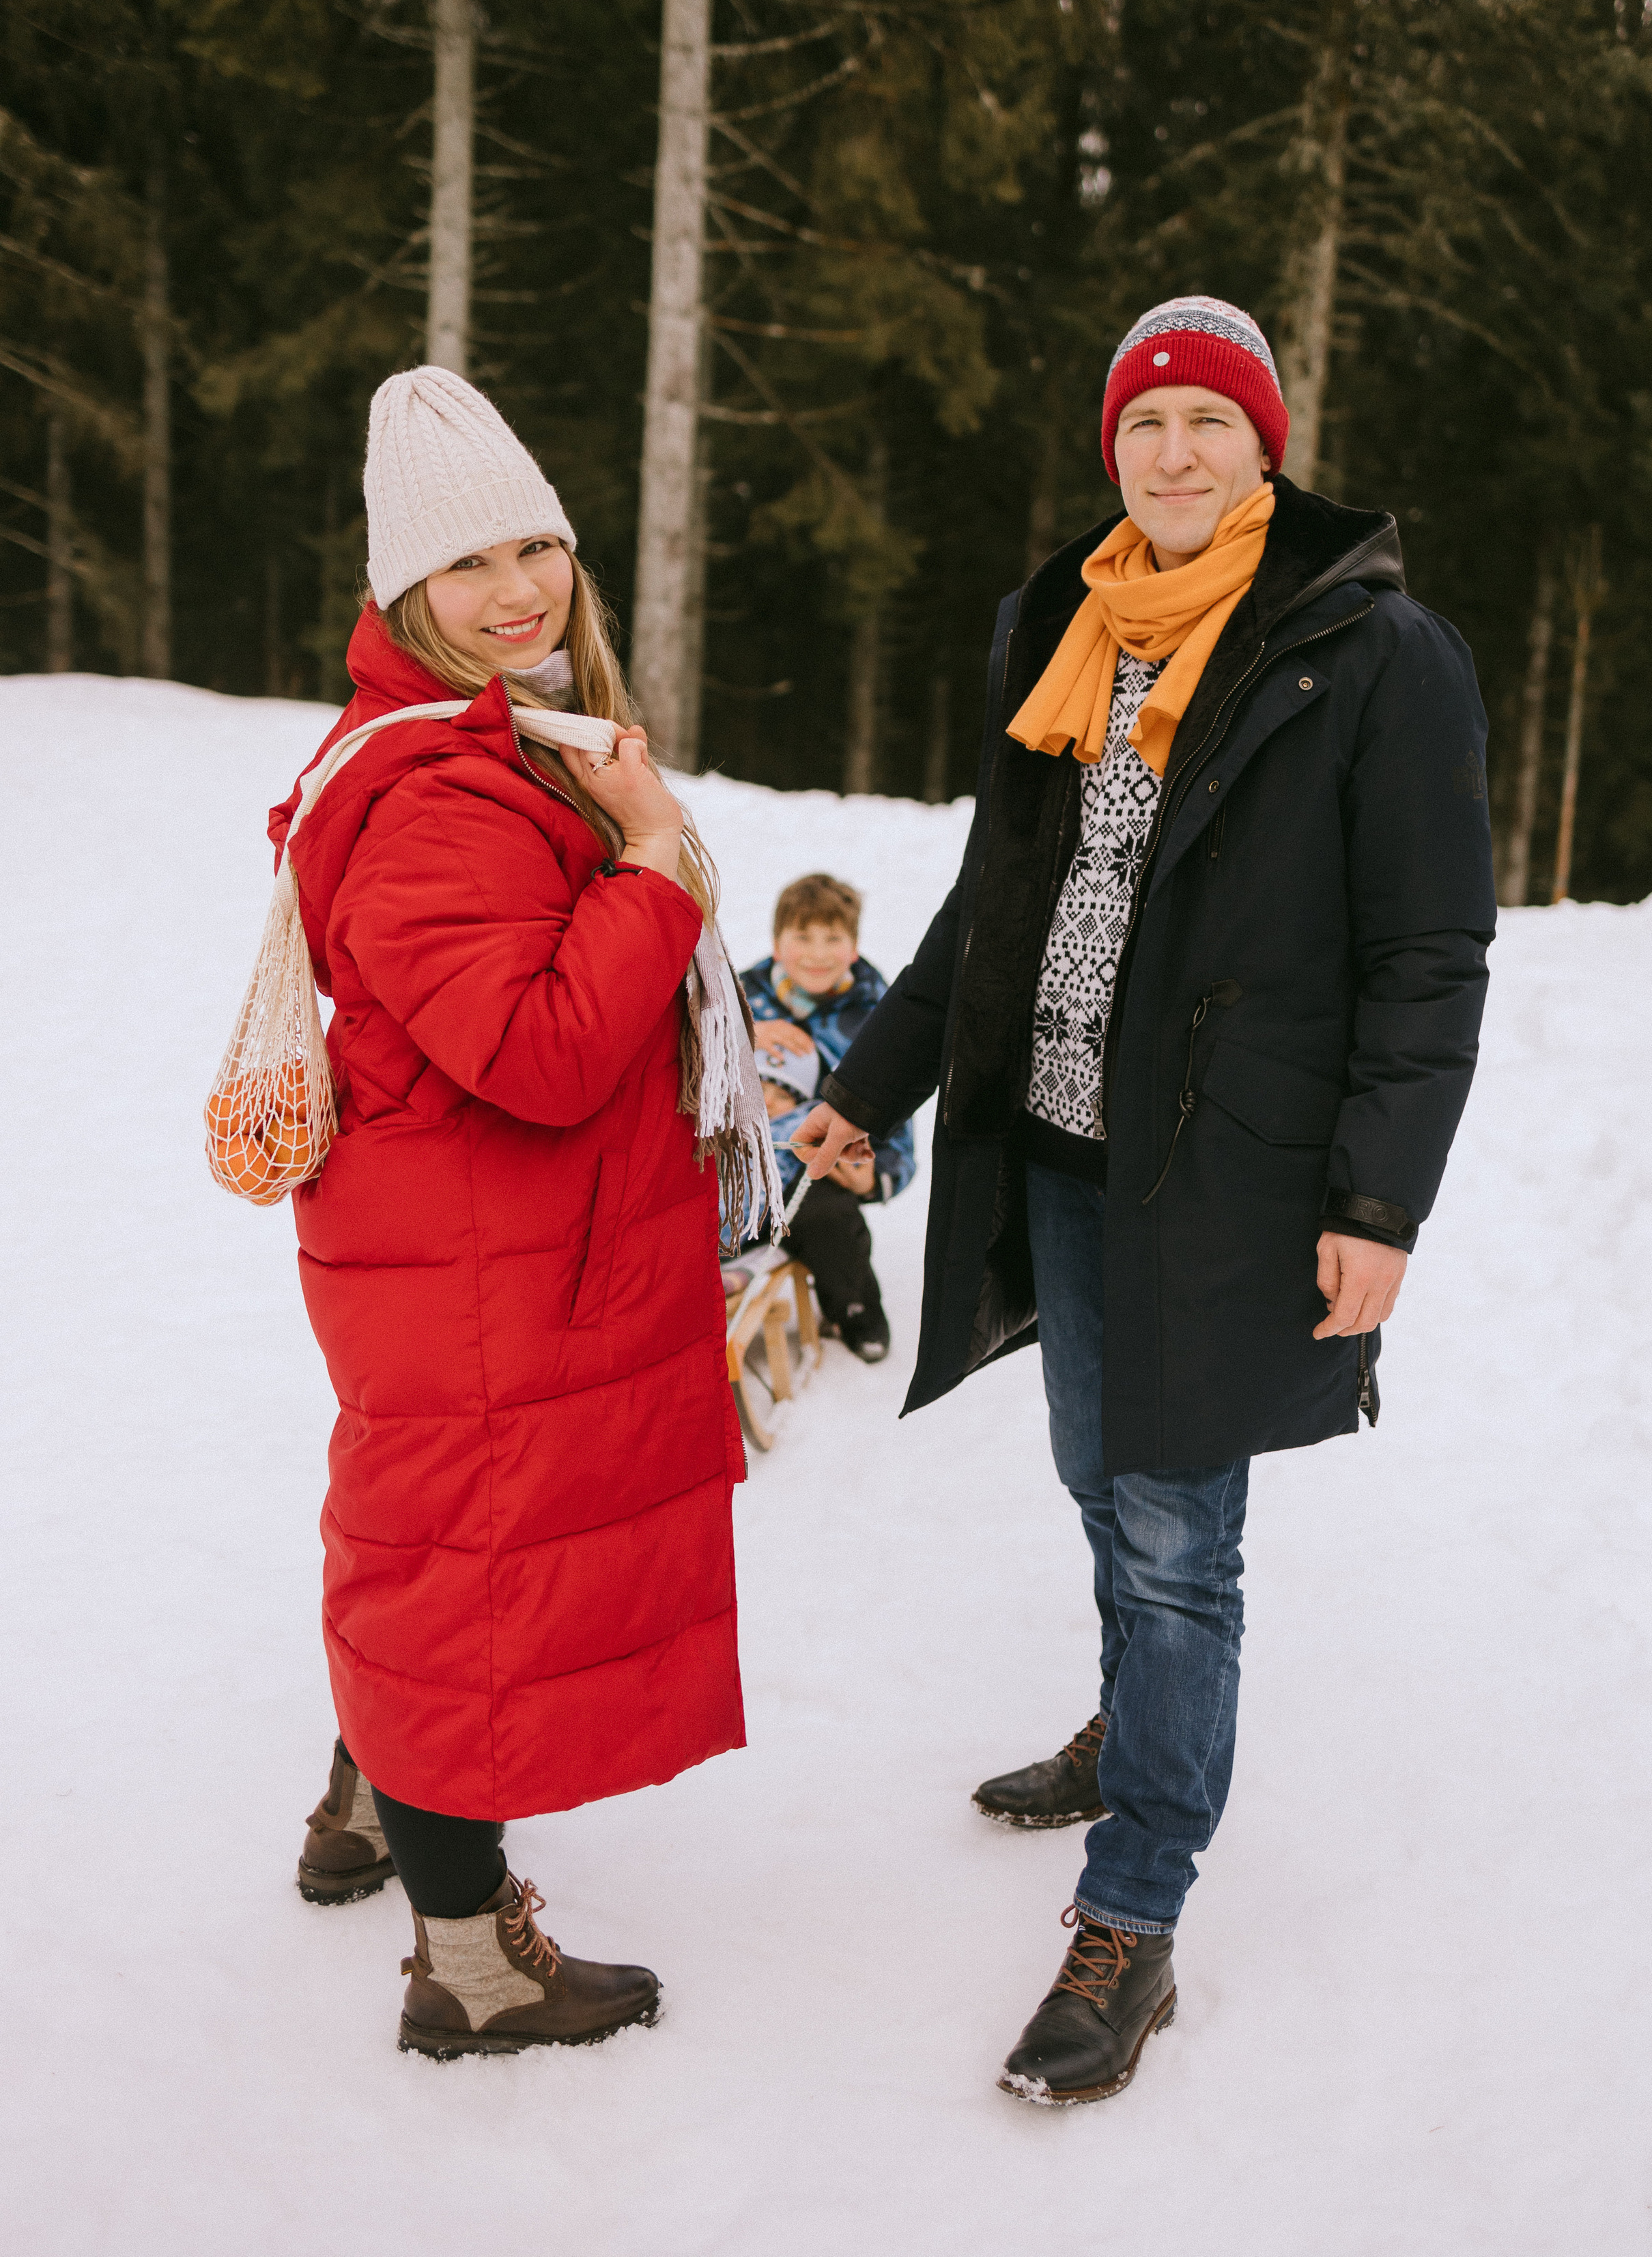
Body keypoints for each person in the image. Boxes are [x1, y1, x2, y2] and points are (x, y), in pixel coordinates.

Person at [793, 295, 1494, 2105]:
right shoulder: (1068, 627)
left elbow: (1430, 957)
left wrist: (1380, 1204)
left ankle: (1135, 1914)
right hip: (1064, 1152)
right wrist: (871, 1094)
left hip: (1235, 1183)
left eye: (1210, 419)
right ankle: (1138, 1735)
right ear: (1115, 446)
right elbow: (993, 911)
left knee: (1182, 1539)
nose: (1175, 450)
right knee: (1103, 1483)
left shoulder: (1373, 651)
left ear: (1268, 444)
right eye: (1147, 420)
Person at [283, 365, 754, 2060]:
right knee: (455, 1585)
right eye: (469, 563)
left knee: (433, 1555)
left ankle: (362, 1797)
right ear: (404, 589)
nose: (517, 592)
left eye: (536, 545)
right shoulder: (433, 794)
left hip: (475, 1253)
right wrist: (649, 865)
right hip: (474, 1266)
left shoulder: (504, 736)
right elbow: (545, 1052)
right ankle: (469, 1964)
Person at [740, 875, 915, 1361]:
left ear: (853, 947)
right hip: (741, 1160)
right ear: (777, 944)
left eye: (832, 938)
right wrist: (742, 1033)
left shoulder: (877, 1019)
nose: (817, 953)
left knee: (828, 1217)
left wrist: (873, 1179)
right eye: (803, 937)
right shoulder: (738, 1001)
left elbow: (897, 1117)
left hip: (815, 1169)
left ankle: (854, 1308)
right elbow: (686, 1046)